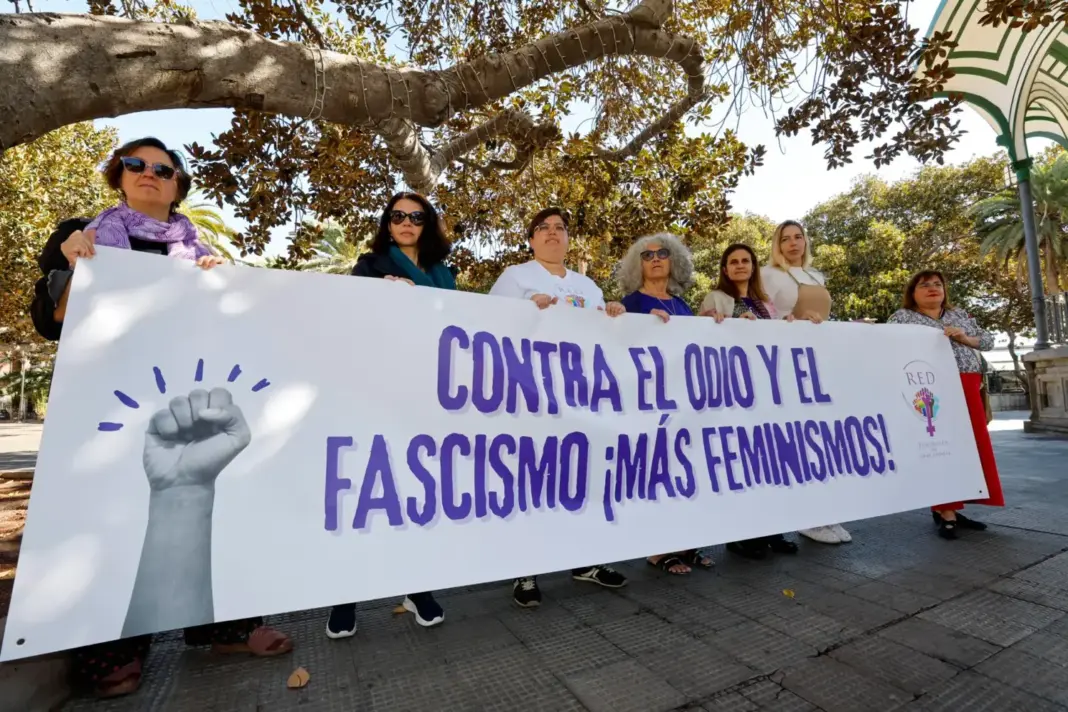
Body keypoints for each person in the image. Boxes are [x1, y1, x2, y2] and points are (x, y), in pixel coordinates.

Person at [28, 137, 290, 700]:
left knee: (215, 507)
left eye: (162, 169)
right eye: (135, 164)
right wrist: (75, 265)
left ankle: (226, 627)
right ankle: (113, 647)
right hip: (110, 405)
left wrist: (223, 285)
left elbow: (233, 327)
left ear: (177, 186)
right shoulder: (82, 234)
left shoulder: (201, 252)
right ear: (118, 176)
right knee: (108, 521)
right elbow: (51, 321)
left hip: (185, 398)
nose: (148, 173)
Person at [325, 191, 451, 639]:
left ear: (427, 224)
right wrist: (381, 295)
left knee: (416, 492)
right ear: (388, 223)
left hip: (427, 396)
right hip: (375, 390)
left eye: (416, 216)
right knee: (365, 493)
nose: (406, 222)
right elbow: (351, 318)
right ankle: (346, 595)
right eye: (398, 216)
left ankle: (416, 588)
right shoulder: (370, 266)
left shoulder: (444, 274)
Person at [489, 207, 627, 607]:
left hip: (581, 400)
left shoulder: (587, 285)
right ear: (531, 239)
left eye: (560, 228)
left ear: (568, 239)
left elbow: (603, 336)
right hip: (532, 399)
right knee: (532, 481)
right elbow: (490, 324)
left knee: (582, 479)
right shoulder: (515, 277)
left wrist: (614, 314)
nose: (552, 233)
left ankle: (586, 561)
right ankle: (526, 570)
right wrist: (524, 311)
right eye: (543, 228)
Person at [616, 233, 714, 574]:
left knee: (684, 472)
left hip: (681, 404)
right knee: (656, 474)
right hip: (648, 404)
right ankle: (658, 551)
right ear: (637, 265)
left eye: (662, 253)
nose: (655, 258)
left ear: (674, 261)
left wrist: (715, 324)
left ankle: (686, 546)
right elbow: (615, 344)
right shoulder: (630, 302)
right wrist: (623, 318)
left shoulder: (681, 305)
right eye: (647, 255)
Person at [888, 270, 1005, 539]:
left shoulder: (958, 314)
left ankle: (955, 504)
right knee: (939, 446)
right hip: (929, 389)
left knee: (971, 445)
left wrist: (965, 338)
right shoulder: (902, 318)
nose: (932, 288)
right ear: (912, 292)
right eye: (924, 285)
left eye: (937, 284)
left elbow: (987, 340)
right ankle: (946, 510)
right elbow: (888, 348)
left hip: (967, 384)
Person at [701, 243, 800, 559]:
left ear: (754, 267)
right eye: (733, 261)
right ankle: (740, 535)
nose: (740, 265)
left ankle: (772, 530)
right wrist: (725, 322)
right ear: (725, 269)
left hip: (765, 393)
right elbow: (701, 337)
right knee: (741, 464)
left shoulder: (765, 303)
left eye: (746, 260)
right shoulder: (717, 298)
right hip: (734, 393)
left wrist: (795, 324)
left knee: (768, 464)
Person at [759, 220, 853, 546]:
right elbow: (762, 316)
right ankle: (806, 517)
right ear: (777, 245)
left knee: (820, 438)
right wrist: (790, 323)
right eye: (785, 239)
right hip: (787, 363)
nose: (793, 243)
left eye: (798, 237)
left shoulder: (817, 276)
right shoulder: (768, 275)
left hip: (817, 361)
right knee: (797, 439)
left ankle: (823, 512)